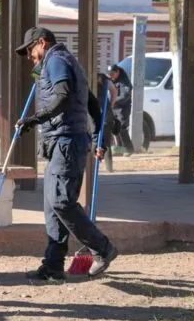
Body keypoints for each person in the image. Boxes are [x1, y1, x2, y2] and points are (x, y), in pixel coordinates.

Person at [14, 26, 118, 281]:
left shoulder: (57, 60)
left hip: (67, 142)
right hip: (63, 142)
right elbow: (93, 105)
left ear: (42, 42)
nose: (29, 56)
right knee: (52, 205)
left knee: (60, 200)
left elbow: (63, 95)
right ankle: (53, 265)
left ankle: (102, 248)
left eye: (30, 50)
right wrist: (98, 137)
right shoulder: (66, 62)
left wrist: (35, 118)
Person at [107, 64, 135, 156]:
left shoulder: (124, 82)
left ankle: (129, 149)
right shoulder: (111, 80)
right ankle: (118, 148)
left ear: (118, 72)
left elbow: (125, 96)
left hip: (123, 108)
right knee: (113, 128)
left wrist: (113, 101)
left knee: (122, 128)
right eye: (109, 74)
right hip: (113, 108)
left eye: (112, 74)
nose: (111, 76)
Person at [96, 72, 118, 172]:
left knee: (93, 142)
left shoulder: (88, 80)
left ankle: (94, 167)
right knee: (107, 143)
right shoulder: (106, 81)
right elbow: (114, 91)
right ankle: (109, 168)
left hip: (95, 114)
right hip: (106, 113)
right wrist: (111, 105)